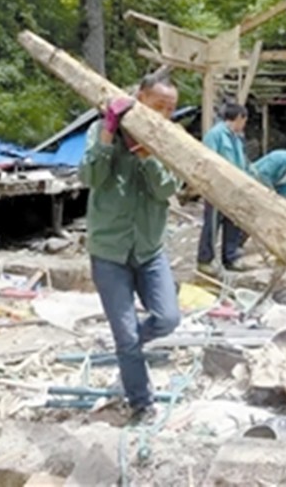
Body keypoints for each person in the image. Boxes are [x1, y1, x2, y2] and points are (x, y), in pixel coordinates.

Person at [79, 74, 181, 423]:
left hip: (149, 249)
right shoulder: (100, 130)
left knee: (167, 318)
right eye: (158, 106)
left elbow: (167, 189)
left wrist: (147, 155)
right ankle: (141, 402)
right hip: (109, 251)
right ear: (139, 98)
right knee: (124, 336)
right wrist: (109, 136)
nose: (164, 114)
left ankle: (129, 348)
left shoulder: (172, 141)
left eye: (170, 109)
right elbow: (90, 178)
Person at [196, 103, 250, 276]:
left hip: (235, 189)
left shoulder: (236, 137)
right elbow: (208, 159)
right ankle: (205, 260)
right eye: (244, 121)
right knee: (212, 224)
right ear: (239, 118)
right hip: (217, 188)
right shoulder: (215, 134)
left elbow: (242, 162)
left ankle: (230, 257)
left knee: (233, 223)